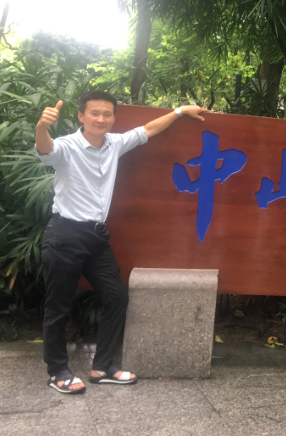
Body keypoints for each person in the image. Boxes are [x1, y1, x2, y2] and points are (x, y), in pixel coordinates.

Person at [35, 91, 208, 394]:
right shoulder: (67, 146)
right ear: (81, 116)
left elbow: (148, 130)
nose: (101, 119)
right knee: (58, 306)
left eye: (107, 114)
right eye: (94, 113)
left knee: (116, 297)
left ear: (114, 117)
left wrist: (180, 111)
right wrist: (41, 127)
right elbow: (46, 151)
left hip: (96, 237)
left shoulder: (114, 143)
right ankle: (58, 371)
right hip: (65, 235)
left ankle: (102, 367)